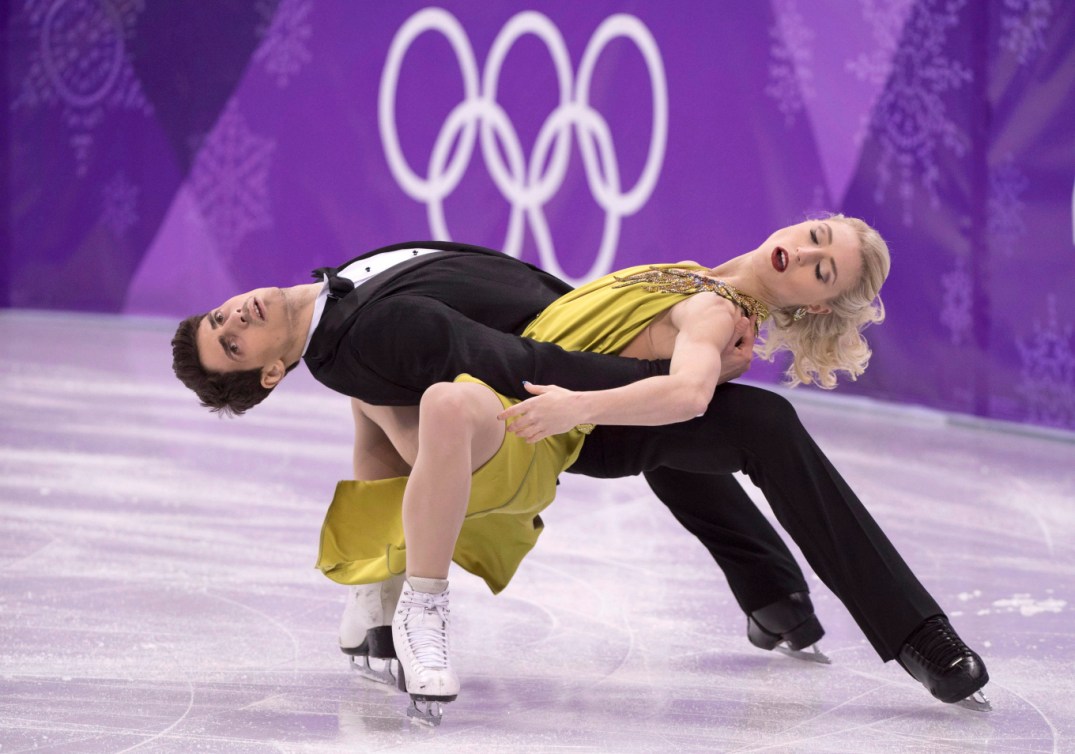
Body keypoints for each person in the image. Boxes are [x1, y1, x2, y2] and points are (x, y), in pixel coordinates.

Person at [172, 217, 989, 721]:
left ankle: (853, 620)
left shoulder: (716, 306)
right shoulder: (701, 283)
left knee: (734, 428)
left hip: (574, 402)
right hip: (557, 402)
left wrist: (587, 395)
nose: (805, 251)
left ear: (813, 303)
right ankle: (776, 597)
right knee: (712, 430)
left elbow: (680, 383)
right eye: (815, 237)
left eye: (822, 265)